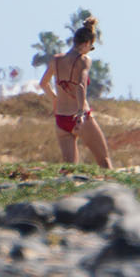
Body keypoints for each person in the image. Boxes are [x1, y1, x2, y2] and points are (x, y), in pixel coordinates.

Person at [40, 15, 112, 168]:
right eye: (91, 47)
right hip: (79, 116)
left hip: (61, 118)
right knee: (104, 161)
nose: (90, 51)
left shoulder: (56, 60)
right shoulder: (84, 60)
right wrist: (80, 112)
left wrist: (54, 99)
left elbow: (43, 83)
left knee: (70, 171)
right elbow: (80, 86)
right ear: (86, 44)